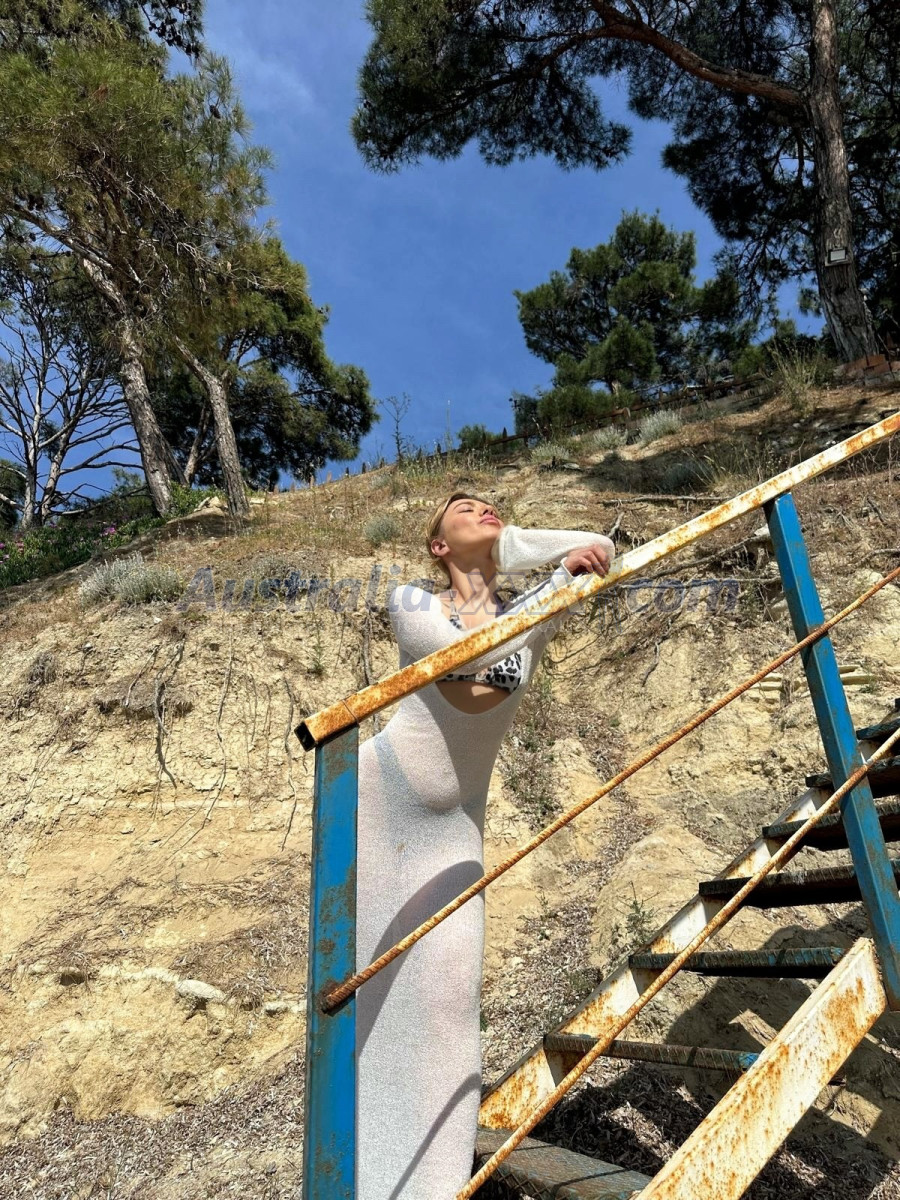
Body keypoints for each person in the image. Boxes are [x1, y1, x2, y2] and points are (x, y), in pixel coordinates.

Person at [355, 492, 615, 1199]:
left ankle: (432, 1187)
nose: (484, 510)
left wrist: (523, 551)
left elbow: (601, 546)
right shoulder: (413, 602)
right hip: (382, 809)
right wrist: (555, 585)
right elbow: (469, 656)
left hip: (454, 829)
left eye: (493, 507)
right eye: (464, 509)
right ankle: (360, 1177)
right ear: (438, 545)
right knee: (367, 1001)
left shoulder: (528, 610)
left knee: (450, 996)